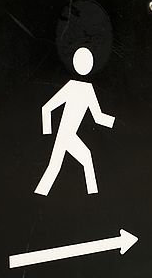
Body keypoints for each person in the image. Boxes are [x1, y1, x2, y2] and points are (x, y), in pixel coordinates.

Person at [35, 47, 115, 196]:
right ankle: (39, 197)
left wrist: (117, 122)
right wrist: (47, 132)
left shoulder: (89, 89)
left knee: (81, 159)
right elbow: (47, 108)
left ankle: (94, 196)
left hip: (70, 135)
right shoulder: (71, 87)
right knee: (55, 166)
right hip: (64, 135)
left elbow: (98, 117)